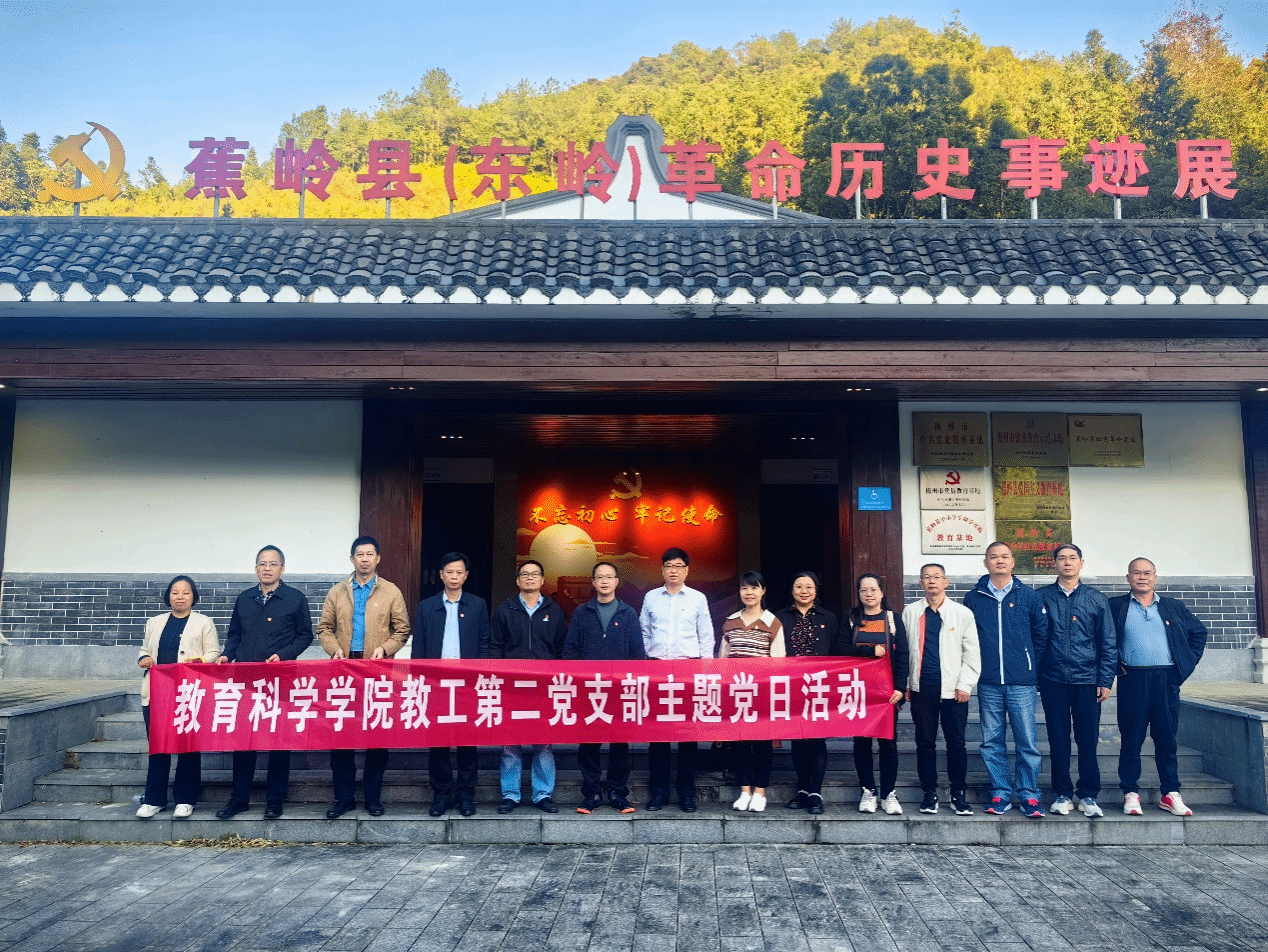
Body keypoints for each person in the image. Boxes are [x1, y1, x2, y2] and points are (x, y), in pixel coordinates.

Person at [214, 546, 314, 820]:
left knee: (278, 740)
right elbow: (235, 634)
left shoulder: (295, 598)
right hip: (246, 680)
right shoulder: (244, 598)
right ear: (256, 568)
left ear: (283, 568)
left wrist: (284, 655)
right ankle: (239, 798)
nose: (267, 568)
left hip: (280, 679)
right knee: (243, 740)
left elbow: (305, 636)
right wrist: (227, 654)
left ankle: (275, 799)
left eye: (273, 564)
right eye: (262, 564)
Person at [315, 535, 411, 819]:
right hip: (344, 671)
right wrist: (334, 649)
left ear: (378, 558)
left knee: (376, 736)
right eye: (360, 554)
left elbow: (402, 629)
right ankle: (343, 797)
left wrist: (386, 649)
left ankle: (373, 798)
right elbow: (324, 628)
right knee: (341, 736)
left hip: (377, 671)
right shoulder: (337, 592)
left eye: (370, 554)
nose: (365, 559)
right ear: (352, 559)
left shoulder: (391, 591)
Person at [1110, 557, 1208, 817]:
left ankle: (1170, 792)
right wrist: (1113, 665)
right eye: (1136, 573)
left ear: (1155, 577)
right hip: (1132, 679)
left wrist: (1184, 665)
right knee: (1131, 738)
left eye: (1147, 573)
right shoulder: (1115, 606)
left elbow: (1198, 633)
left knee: (1166, 738)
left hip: (1166, 679)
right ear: (1128, 577)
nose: (1142, 577)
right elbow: (1103, 639)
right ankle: (1130, 792)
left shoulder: (1173, 606)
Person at [963, 542, 1050, 819]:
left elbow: (1041, 635)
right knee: (991, 741)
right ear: (985, 563)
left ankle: (1029, 794)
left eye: (1004, 557)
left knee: (1027, 741)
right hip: (988, 681)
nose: (999, 561)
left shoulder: (1029, 596)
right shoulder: (973, 598)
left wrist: (1029, 665)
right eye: (993, 557)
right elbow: (967, 639)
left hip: (1022, 682)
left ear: (1013, 562)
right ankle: (1000, 792)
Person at [1037, 543, 1116, 818]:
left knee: (1087, 738)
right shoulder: (1042, 597)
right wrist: (1036, 675)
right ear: (1054, 564)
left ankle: (1088, 794)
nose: (1067, 562)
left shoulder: (1096, 599)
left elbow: (1108, 642)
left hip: (1087, 679)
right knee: (1058, 739)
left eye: (1073, 558)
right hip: (1053, 678)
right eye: (1062, 558)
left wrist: (1105, 679)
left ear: (1081, 563)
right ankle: (1062, 793)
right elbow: (1036, 639)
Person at [564, 561, 646, 814]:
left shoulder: (628, 613)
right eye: (599, 577)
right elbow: (570, 651)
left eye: (609, 577)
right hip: (589, 689)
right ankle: (591, 794)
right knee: (589, 743)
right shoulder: (582, 612)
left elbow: (637, 654)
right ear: (593, 582)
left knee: (620, 743)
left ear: (617, 582)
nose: (604, 581)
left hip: (619, 690)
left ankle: (618, 793)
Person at [412, 551, 490, 817]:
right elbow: (419, 647)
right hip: (436, 683)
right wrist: (419, 680)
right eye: (450, 572)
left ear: (466, 576)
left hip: (467, 683)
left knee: (468, 741)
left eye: (459, 572)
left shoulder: (478, 605)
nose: (454, 577)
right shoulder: (426, 607)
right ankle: (441, 794)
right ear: (441, 575)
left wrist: (479, 676)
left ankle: (466, 795)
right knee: (439, 741)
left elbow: (484, 644)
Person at [135, 575, 220, 819]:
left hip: (188, 692)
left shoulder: (204, 622)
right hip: (157, 692)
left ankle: (185, 799)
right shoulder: (154, 622)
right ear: (168, 596)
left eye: (185, 592)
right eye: (175, 592)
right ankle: (154, 799)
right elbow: (144, 650)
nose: (180, 597)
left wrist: (201, 660)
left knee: (187, 746)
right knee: (158, 747)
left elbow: (214, 652)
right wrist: (144, 658)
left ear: (193, 596)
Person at [640, 547, 715, 813]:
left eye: (679, 566)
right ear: (662, 570)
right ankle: (658, 793)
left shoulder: (697, 598)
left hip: (688, 671)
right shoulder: (651, 598)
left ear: (687, 570)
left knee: (688, 735)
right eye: (669, 566)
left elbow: (706, 636)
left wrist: (705, 672)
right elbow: (643, 632)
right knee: (658, 735)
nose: (674, 571)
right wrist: (648, 660)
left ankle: (686, 793)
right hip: (658, 670)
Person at [902, 563, 980, 816]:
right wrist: (907, 683)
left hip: (953, 689)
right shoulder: (911, 612)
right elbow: (904, 651)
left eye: (937, 577)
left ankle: (958, 794)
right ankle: (929, 793)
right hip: (922, 687)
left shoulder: (962, 613)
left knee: (956, 743)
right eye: (926, 577)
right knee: (924, 742)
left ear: (946, 582)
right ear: (920, 583)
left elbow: (972, 652)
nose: (932, 581)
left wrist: (965, 684)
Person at [491, 559, 568, 814]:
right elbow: (495, 648)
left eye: (535, 574)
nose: (530, 578)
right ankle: (510, 794)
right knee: (510, 743)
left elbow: (561, 649)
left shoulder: (554, 611)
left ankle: (542, 794)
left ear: (543, 580)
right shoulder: (505, 610)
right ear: (517, 581)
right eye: (525, 574)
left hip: (544, 687)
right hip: (512, 686)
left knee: (543, 742)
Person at [836, 573, 909, 817]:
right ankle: (868, 791)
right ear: (858, 594)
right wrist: (868, 651)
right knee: (862, 742)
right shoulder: (851, 618)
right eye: (864, 590)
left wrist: (900, 688)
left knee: (888, 743)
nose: (869, 594)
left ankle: (888, 794)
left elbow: (903, 655)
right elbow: (839, 648)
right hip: (859, 690)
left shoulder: (892, 619)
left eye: (873, 589)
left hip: (887, 693)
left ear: (881, 592)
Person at [720, 571, 785, 813]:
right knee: (740, 744)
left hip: (763, 694)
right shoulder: (730, 621)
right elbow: (722, 660)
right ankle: (744, 791)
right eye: (745, 588)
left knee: (762, 744)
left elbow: (779, 663)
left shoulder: (773, 623)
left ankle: (760, 792)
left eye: (754, 588)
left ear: (763, 591)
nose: (749, 593)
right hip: (737, 694)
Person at [775, 571, 838, 815]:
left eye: (809, 586)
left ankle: (815, 791)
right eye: (799, 586)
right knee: (798, 738)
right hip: (792, 686)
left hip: (820, 685)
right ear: (792, 590)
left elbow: (837, 651)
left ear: (816, 590)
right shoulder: (780, 617)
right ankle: (802, 788)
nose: (804, 591)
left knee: (817, 737)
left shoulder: (828, 617)